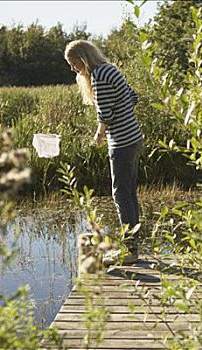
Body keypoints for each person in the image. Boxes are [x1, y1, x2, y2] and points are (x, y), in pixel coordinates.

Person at [64, 40, 143, 265]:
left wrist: (99, 134)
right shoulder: (111, 69)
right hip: (134, 137)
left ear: (83, 58)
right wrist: (122, 116)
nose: (73, 68)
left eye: (74, 63)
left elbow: (105, 113)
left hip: (122, 142)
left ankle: (130, 251)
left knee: (120, 195)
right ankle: (132, 247)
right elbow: (133, 97)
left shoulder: (99, 75)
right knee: (129, 194)